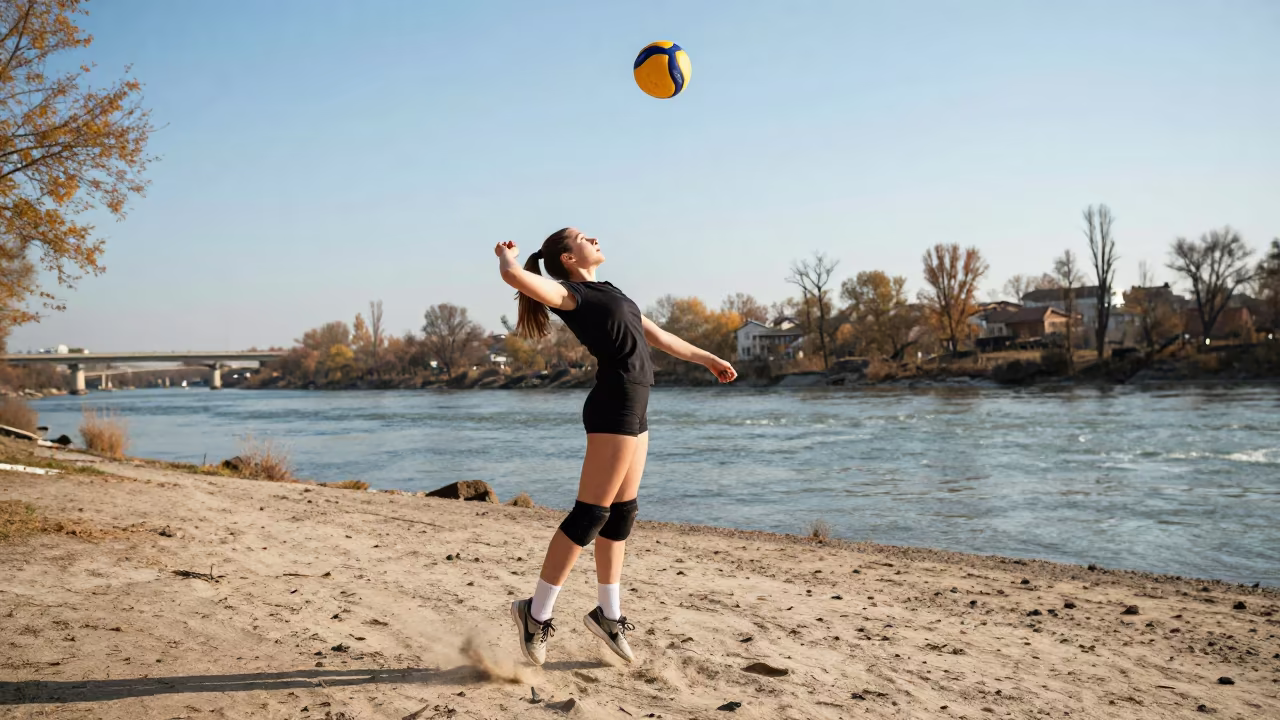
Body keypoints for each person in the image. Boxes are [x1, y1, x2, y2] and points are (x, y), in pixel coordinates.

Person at [494, 228, 737, 665]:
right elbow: (516, 279)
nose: (594, 239)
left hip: (636, 405)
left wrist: (708, 359)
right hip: (614, 405)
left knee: (622, 513)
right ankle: (536, 613)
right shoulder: (572, 295)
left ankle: (608, 615)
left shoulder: (612, 292)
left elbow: (658, 336)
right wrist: (508, 259)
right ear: (568, 258)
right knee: (590, 514)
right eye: (583, 237)